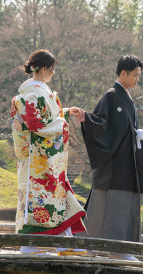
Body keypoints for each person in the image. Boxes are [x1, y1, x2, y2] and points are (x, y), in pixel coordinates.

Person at [10, 49, 88, 255]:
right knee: (43, 201)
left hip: (44, 158)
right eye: (52, 70)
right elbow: (37, 124)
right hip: (38, 159)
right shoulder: (33, 94)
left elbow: (44, 118)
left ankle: (59, 243)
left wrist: (65, 112)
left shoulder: (37, 91)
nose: (53, 73)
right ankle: (43, 245)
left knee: (52, 199)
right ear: (43, 69)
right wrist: (61, 121)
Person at [76, 55, 143, 260]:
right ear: (123, 73)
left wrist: (136, 134)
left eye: (139, 75)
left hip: (125, 161)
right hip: (115, 164)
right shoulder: (112, 95)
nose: (137, 79)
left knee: (117, 203)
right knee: (108, 204)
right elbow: (102, 123)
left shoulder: (124, 96)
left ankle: (113, 248)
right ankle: (111, 249)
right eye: (135, 75)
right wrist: (87, 119)